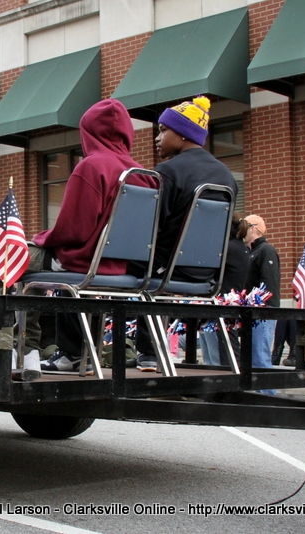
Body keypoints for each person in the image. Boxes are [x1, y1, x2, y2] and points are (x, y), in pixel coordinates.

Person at [0, 99, 158, 373]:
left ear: (88, 133)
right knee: (28, 272)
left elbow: (73, 230)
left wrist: (42, 238)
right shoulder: (145, 175)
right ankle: (27, 350)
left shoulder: (92, 166)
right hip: (119, 267)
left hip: (80, 261)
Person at [130, 96, 239, 371]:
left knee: (107, 264)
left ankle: (140, 351)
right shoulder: (226, 176)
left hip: (166, 270)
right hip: (207, 273)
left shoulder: (168, 171)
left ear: (182, 133)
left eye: (163, 130)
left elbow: (148, 227)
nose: (157, 138)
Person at [200, 212, 250, 366]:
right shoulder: (242, 247)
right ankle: (232, 369)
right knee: (228, 339)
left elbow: (208, 269)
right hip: (234, 297)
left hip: (224, 299)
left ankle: (229, 371)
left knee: (224, 342)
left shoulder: (228, 248)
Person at [241, 214, 281, 369]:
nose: (241, 231)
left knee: (260, 356)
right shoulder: (251, 252)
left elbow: (269, 282)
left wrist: (261, 305)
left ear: (253, 229)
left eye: (244, 227)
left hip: (263, 311)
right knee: (252, 357)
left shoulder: (266, 250)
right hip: (251, 311)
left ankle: (266, 385)